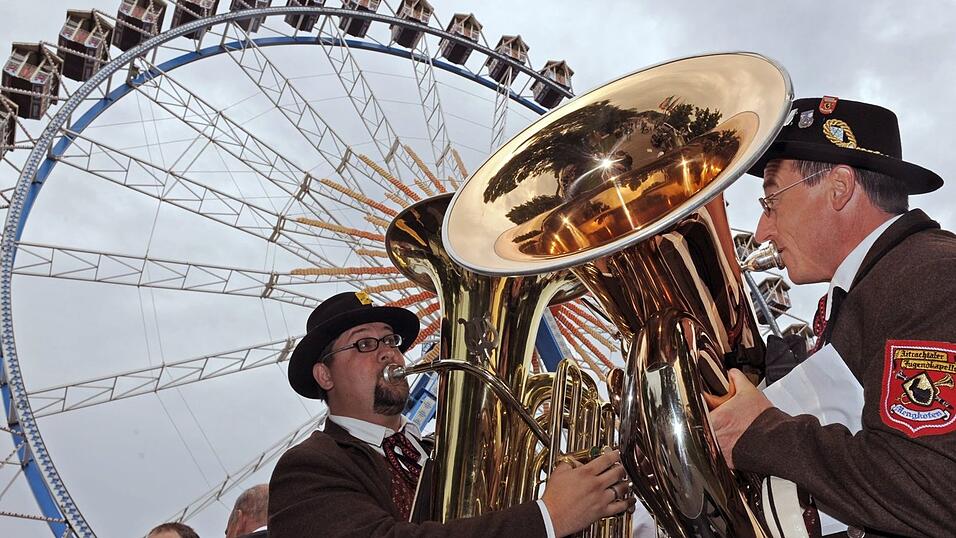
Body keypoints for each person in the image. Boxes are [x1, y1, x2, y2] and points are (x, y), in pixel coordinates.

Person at [707, 97, 956, 537]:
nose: (763, 230)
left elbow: (932, 486)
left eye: (770, 202)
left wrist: (760, 431)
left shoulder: (929, 276)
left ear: (839, 188)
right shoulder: (884, 283)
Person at [269, 291, 635, 537]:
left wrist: (589, 497)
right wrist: (548, 516)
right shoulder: (307, 467)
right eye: (365, 343)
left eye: (391, 340)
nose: (389, 354)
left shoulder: (442, 452)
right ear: (324, 375)